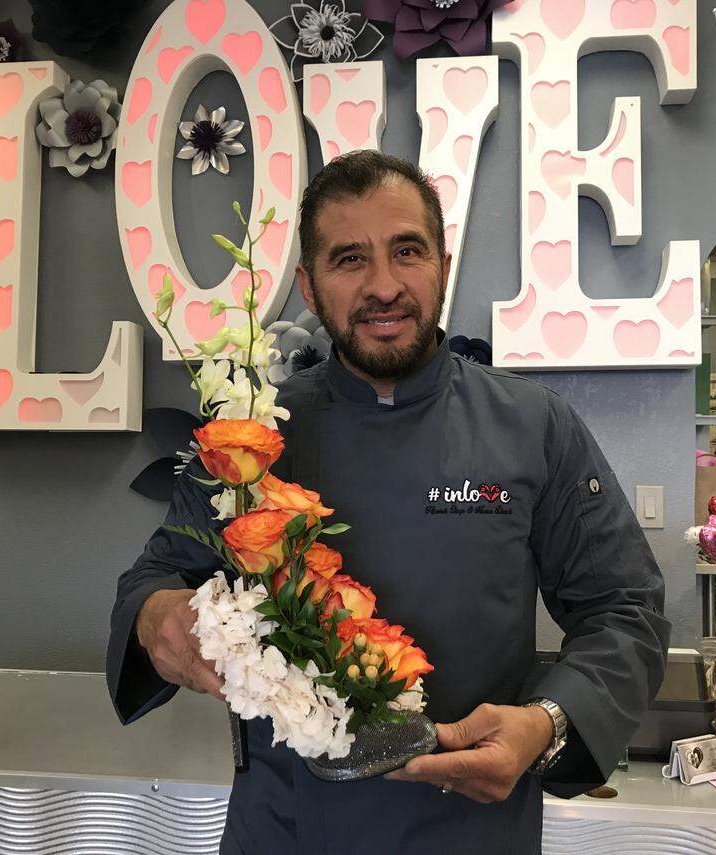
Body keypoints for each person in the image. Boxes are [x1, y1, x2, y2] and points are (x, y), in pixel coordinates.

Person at [107, 151, 671, 854]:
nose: (384, 286)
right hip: (288, 827)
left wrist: (549, 722)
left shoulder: (533, 424)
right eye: (350, 260)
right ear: (310, 289)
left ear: (442, 261)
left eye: (407, 250)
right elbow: (156, 578)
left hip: (472, 830)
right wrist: (156, 616)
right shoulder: (253, 436)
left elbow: (625, 606)